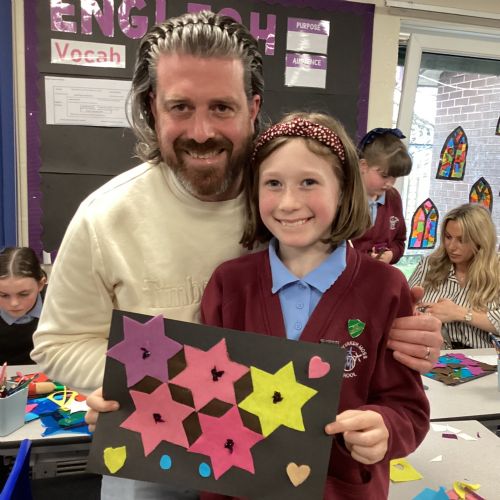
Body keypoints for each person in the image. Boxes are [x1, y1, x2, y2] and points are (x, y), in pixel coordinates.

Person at [30, 10, 440, 500]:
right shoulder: (105, 217)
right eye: (180, 106)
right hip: (153, 452)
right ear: (152, 107)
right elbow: (58, 342)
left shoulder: (284, 183)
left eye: (222, 107)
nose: (202, 130)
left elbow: (353, 305)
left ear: (252, 107)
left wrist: (410, 334)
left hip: (310, 472)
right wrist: (136, 386)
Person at [200, 113, 429, 500]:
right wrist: (124, 404)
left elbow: (408, 409)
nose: (289, 202)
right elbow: (203, 393)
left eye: (309, 182)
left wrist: (385, 428)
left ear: (343, 188)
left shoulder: (386, 288)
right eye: (273, 183)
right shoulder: (230, 283)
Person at [409, 203, 500, 349]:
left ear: (481, 240)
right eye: (448, 237)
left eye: (461, 240)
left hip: (482, 357)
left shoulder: (496, 269)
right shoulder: (429, 264)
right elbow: (405, 306)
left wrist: (460, 313)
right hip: (430, 352)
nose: (451, 246)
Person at [351, 128, 412, 264]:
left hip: (380, 274)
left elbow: (399, 241)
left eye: (394, 177)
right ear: (363, 166)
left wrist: (391, 254)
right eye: (384, 175)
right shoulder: (344, 199)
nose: (389, 183)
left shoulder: (394, 198)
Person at [0, 247, 47, 364]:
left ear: (40, 284)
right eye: (3, 295)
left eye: (23, 294)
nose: (14, 303)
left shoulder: (59, 305)